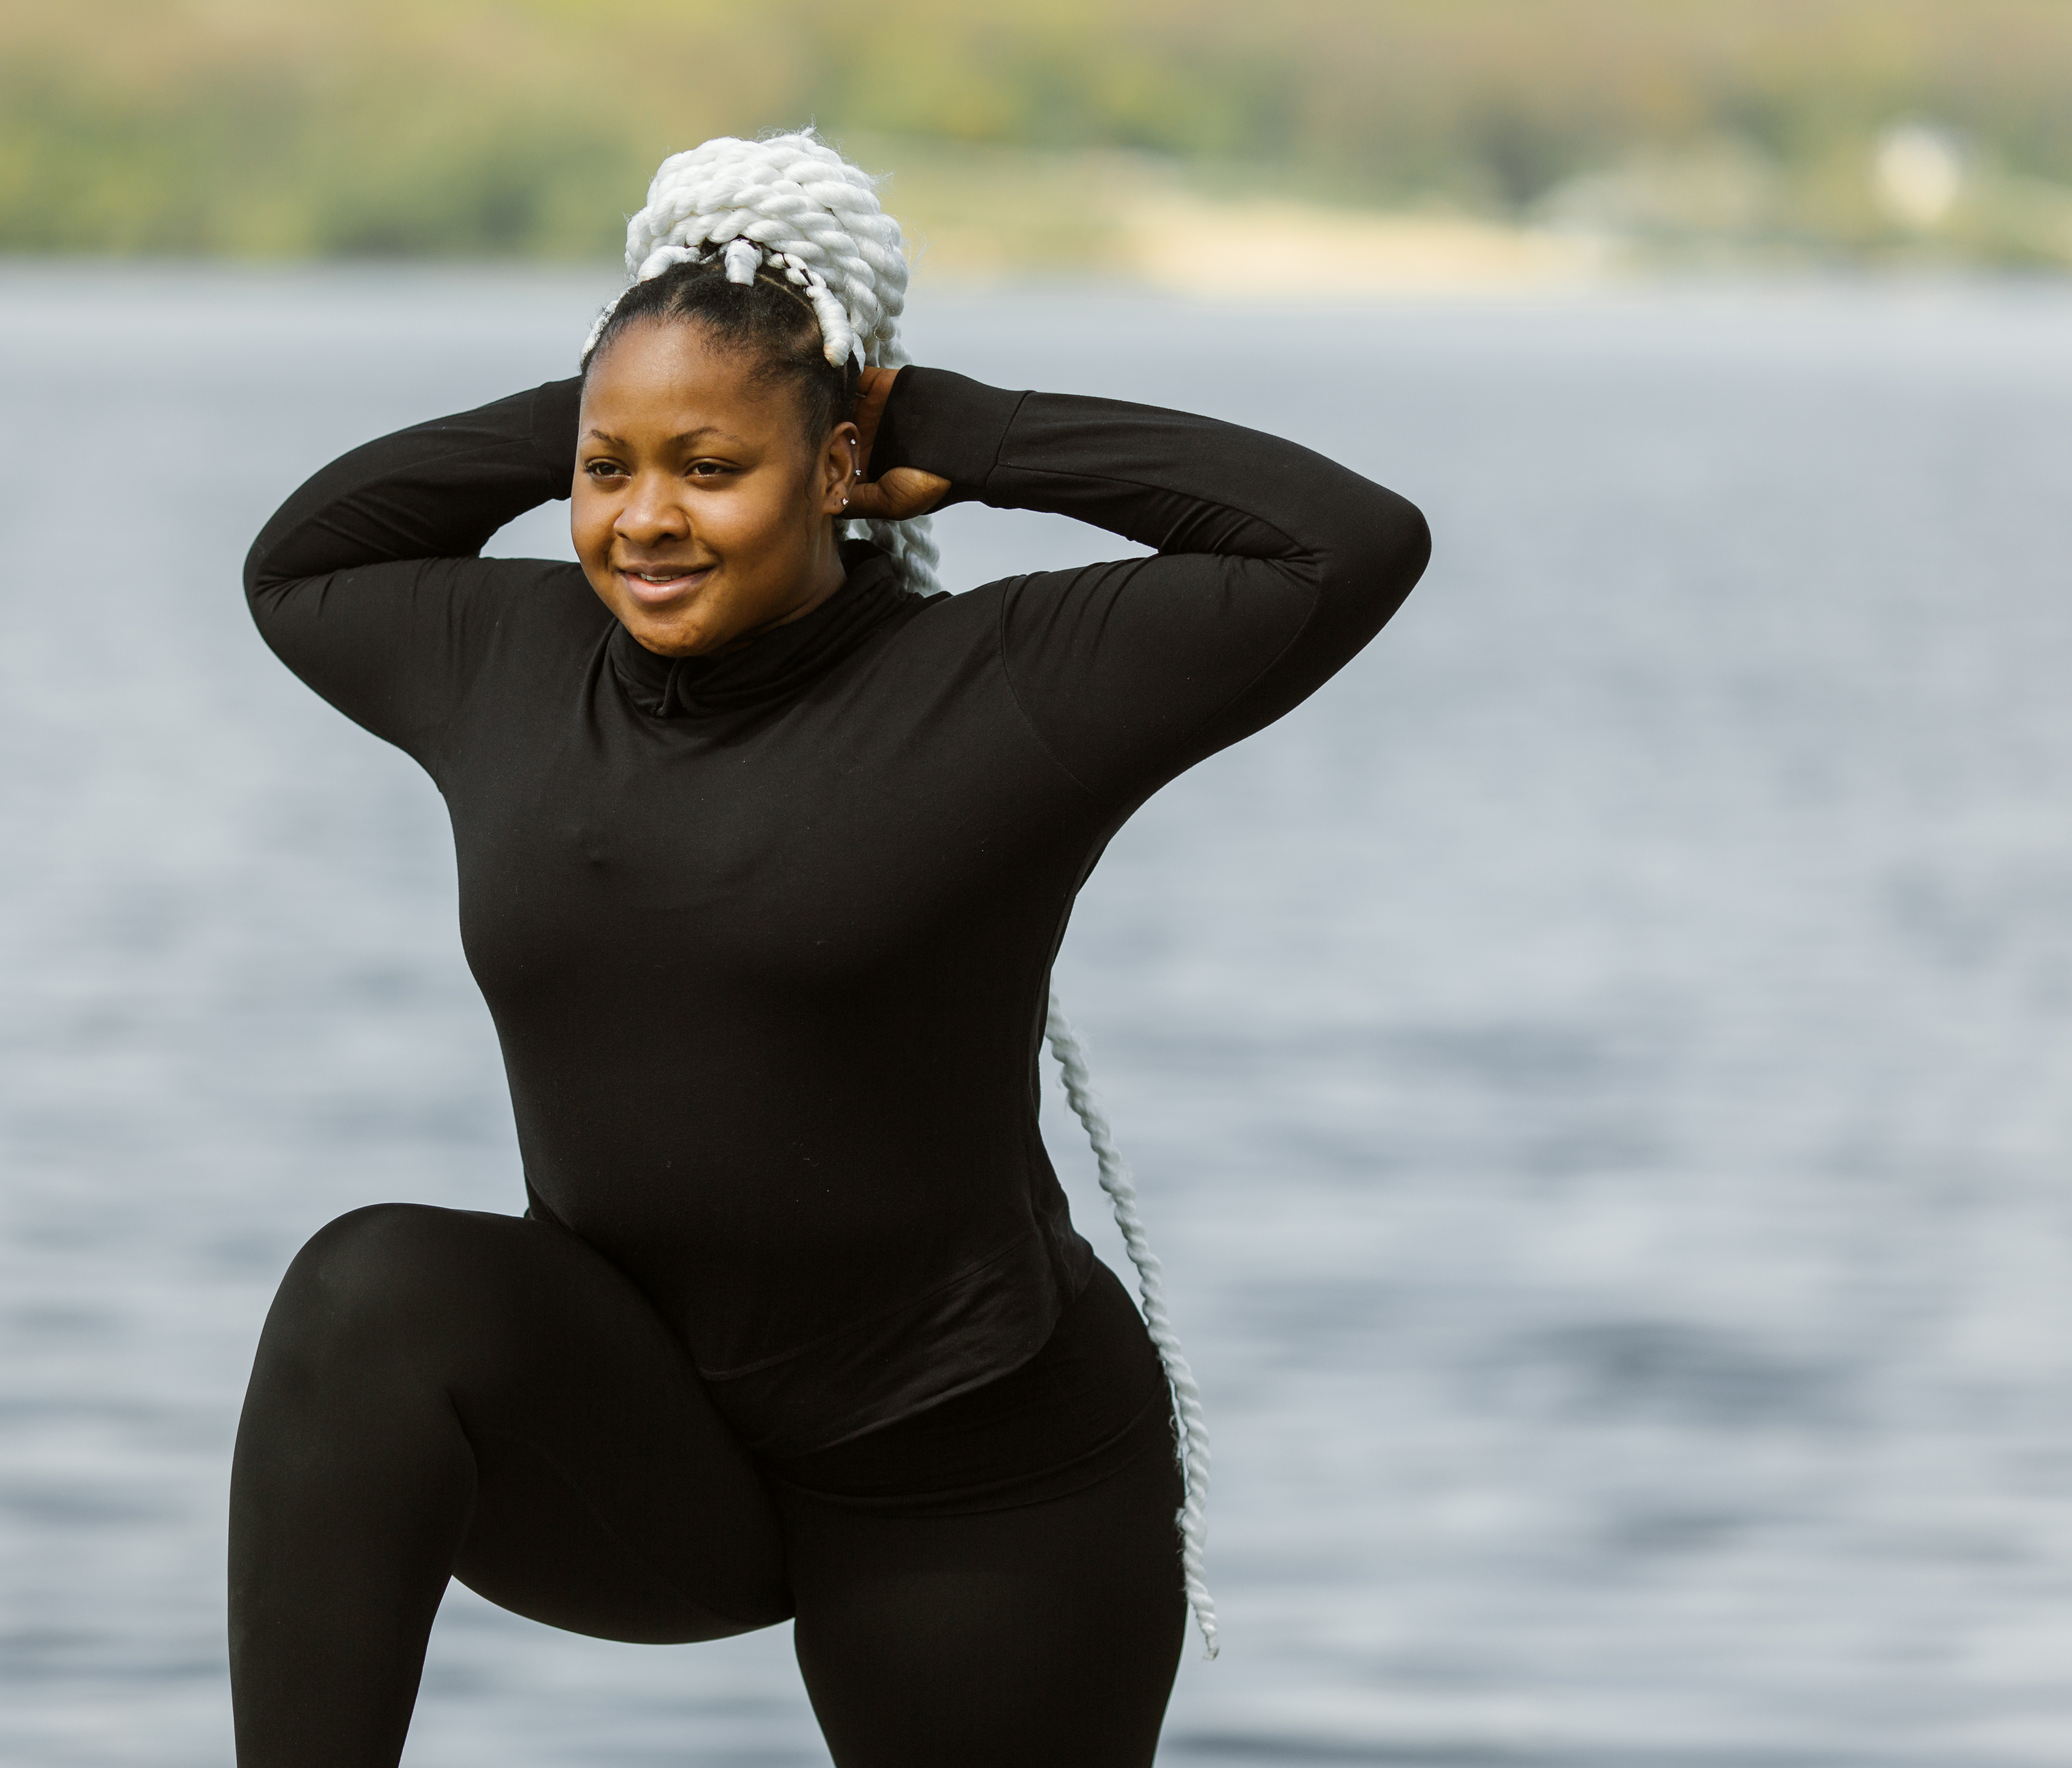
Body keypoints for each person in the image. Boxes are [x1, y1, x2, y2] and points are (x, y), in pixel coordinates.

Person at [229, 133, 1429, 1768]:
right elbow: (298, 561)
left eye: (710, 468)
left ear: (838, 464)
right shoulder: (505, 661)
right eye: (607, 473)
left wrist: (954, 428)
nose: (645, 521)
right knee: (365, 1299)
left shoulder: (1002, 684)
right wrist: (630, 388)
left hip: (973, 1477)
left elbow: (1345, 543)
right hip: (650, 1445)